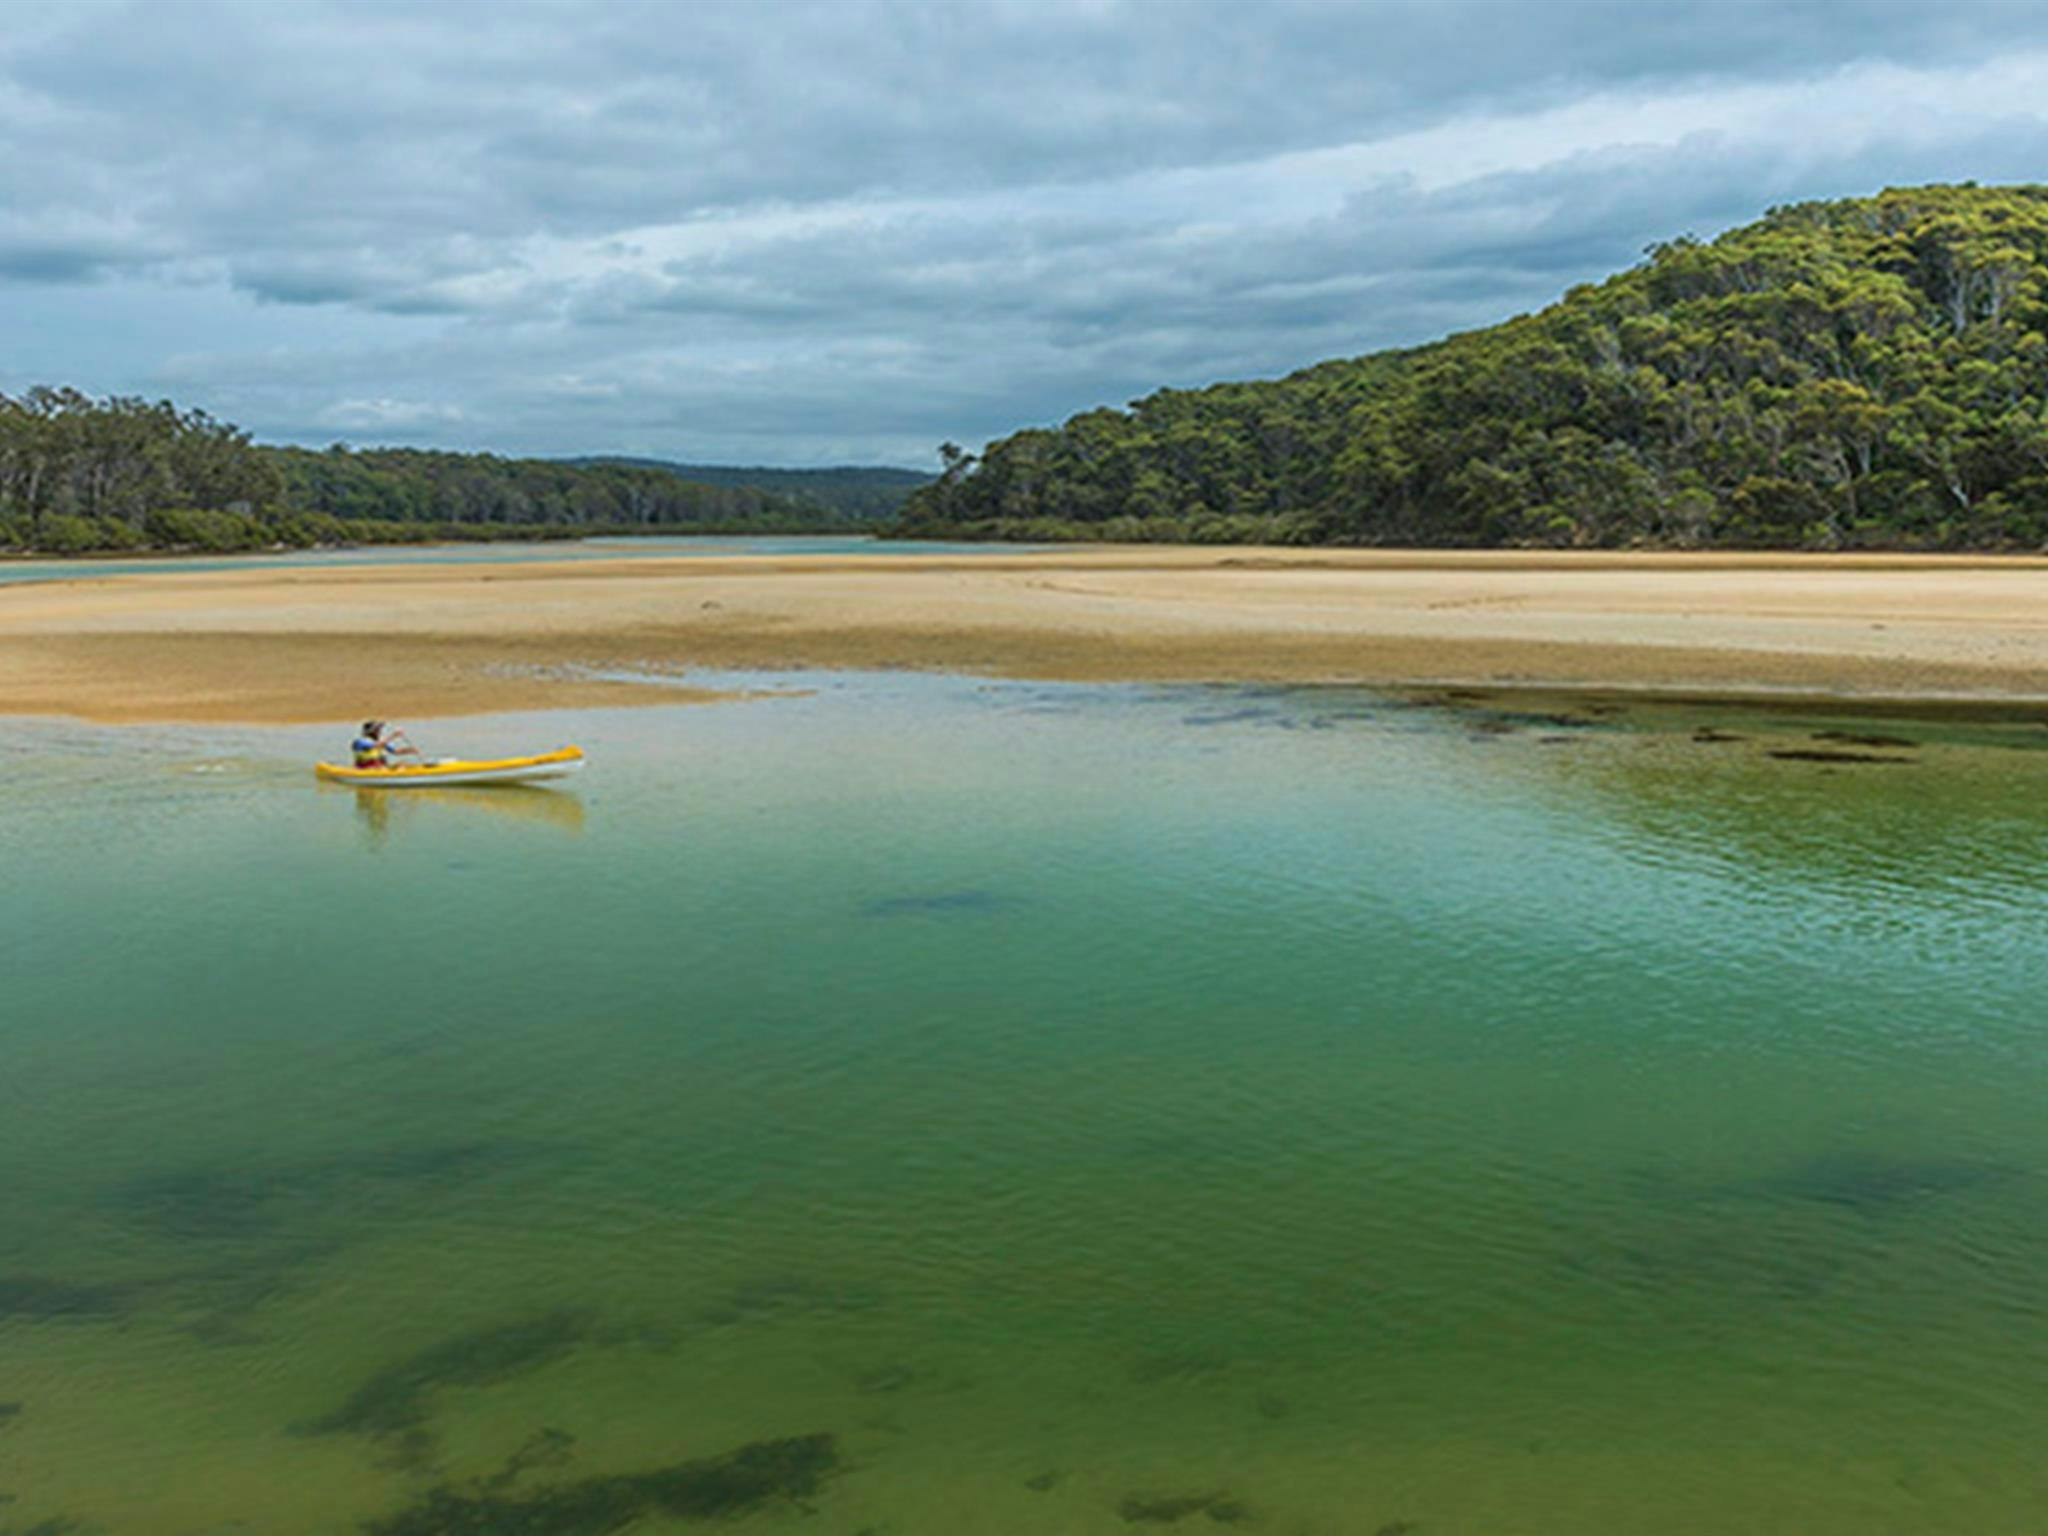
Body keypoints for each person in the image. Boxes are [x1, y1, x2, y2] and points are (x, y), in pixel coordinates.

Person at [350, 720, 422, 769]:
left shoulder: (381, 741)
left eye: (378, 729)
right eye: (377, 730)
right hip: (366, 769)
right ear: (370, 732)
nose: (379, 731)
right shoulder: (360, 742)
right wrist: (394, 735)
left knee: (403, 764)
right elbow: (376, 745)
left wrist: (410, 750)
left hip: (380, 768)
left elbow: (395, 751)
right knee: (399, 767)